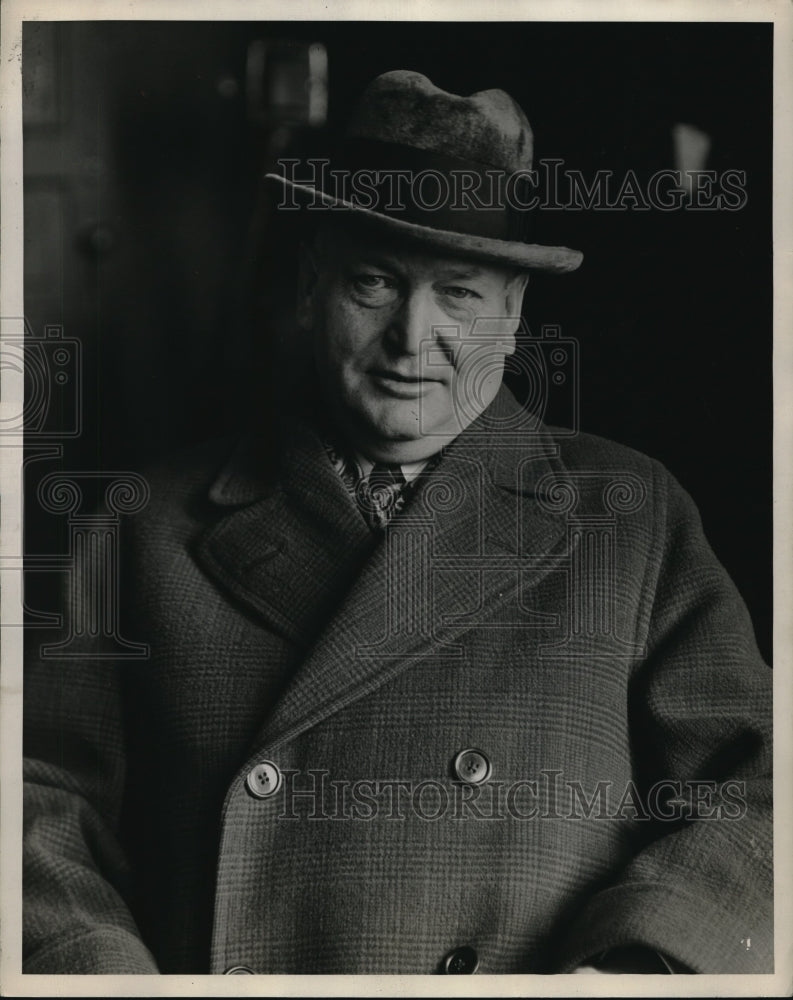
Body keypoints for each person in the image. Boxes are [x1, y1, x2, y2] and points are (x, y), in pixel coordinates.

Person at [23, 70, 772, 976]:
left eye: (458, 293)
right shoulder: (141, 524)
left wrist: (641, 969)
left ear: (513, 315)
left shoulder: (630, 513)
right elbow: (40, 803)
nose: (412, 337)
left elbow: (760, 785)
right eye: (373, 282)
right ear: (310, 289)